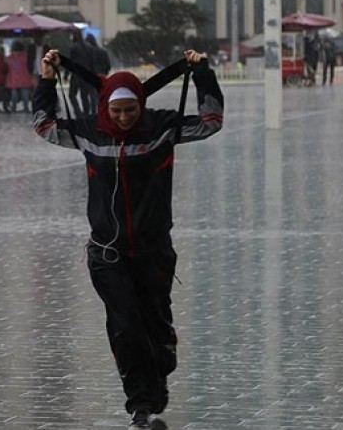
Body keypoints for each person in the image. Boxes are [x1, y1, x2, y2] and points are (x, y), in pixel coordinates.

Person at [33, 49, 223, 428]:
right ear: (106, 107)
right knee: (124, 326)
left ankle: (161, 368)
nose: (122, 118)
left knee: (154, 326)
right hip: (106, 253)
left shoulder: (162, 128)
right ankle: (138, 400)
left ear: (140, 106)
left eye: (130, 110)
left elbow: (210, 121)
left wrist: (202, 72)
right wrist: (47, 79)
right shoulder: (87, 131)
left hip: (153, 252)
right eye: (117, 111)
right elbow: (43, 124)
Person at [67, 32, 95, 116]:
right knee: (84, 95)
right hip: (86, 74)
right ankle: (86, 112)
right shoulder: (89, 48)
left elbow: (70, 62)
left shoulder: (73, 48)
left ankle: (78, 111)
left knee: (72, 94)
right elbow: (92, 62)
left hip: (76, 74)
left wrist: (66, 74)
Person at [5, 41, 35, 113]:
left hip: (13, 79)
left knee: (14, 93)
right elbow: (30, 67)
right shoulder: (26, 57)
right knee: (25, 93)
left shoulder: (9, 58)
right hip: (25, 78)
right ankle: (26, 108)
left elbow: (6, 68)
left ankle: (13, 108)